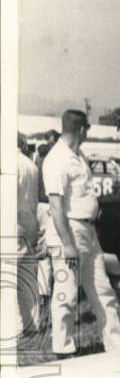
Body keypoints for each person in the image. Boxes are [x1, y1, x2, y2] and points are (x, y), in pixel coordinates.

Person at [42, 109, 120, 356]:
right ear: (82, 129)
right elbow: (56, 206)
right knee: (66, 294)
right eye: (87, 129)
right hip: (69, 231)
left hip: (88, 232)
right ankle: (63, 349)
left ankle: (117, 347)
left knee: (103, 291)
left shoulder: (78, 155)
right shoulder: (56, 159)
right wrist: (67, 244)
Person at [15, 134, 41, 338]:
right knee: (28, 276)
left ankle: (13, 326)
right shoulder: (31, 165)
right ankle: (33, 322)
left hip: (13, 220)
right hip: (31, 218)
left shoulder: (9, 164)